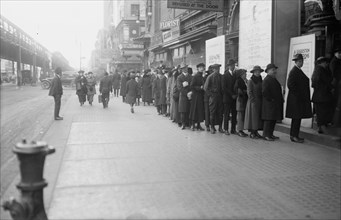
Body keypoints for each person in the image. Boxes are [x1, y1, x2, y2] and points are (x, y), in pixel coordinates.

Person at [286, 54, 312, 143]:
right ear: (297, 62)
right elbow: (290, 85)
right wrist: (299, 94)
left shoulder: (297, 71)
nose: (302, 63)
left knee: (297, 118)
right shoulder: (294, 71)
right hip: (296, 100)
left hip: (298, 100)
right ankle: (294, 136)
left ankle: (294, 135)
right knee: (296, 118)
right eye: (300, 61)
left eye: (302, 61)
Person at [311, 57, 334, 133]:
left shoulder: (315, 71)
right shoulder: (322, 70)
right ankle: (323, 128)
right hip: (323, 96)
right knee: (323, 113)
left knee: (320, 112)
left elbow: (313, 84)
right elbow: (328, 82)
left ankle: (320, 128)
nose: (327, 64)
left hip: (317, 96)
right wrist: (331, 88)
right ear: (322, 63)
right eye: (326, 63)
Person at [262, 64, 284, 141]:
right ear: (268, 71)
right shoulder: (267, 79)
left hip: (274, 103)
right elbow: (264, 92)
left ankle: (270, 134)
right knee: (268, 120)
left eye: (275, 69)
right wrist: (271, 99)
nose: (274, 71)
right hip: (269, 103)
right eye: (272, 70)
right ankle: (266, 135)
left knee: (273, 119)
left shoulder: (273, 79)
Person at [244, 65, 264, 139]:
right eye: (256, 72)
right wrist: (253, 100)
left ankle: (256, 132)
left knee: (258, 118)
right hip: (253, 102)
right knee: (253, 118)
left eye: (259, 72)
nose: (258, 73)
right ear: (253, 72)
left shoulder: (261, 80)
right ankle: (252, 133)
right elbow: (249, 92)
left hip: (259, 101)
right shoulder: (251, 81)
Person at [204, 64, 224, 134]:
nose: (217, 70)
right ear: (213, 69)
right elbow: (205, 88)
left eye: (218, 69)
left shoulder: (221, 76)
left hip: (220, 97)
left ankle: (220, 127)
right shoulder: (210, 77)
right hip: (213, 97)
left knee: (220, 113)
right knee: (212, 112)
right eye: (216, 69)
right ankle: (212, 127)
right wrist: (211, 95)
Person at [222, 58, 238, 135]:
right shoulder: (225, 75)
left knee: (234, 114)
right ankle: (225, 129)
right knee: (226, 114)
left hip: (234, 98)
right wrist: (232, 94)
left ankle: (233, 129)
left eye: (233, 65)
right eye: (231, 65)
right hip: (227, 98)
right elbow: (224, 88)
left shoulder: (236, 74)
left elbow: (237, 85)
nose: (232, 66)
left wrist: (235, 94)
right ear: (228, 66)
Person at [189, 63, 205, 131]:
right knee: (194, 110)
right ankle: (192, 125)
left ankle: (198, 125)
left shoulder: (202, 76)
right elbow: (192, 86)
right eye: (200, 67)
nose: (202, 68)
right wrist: (199, 87)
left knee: (200, 110)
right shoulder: (195, 76)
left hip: (201, 95)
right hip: (195, 96)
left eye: (203, 67)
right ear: (198, 68)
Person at [234, 69, 248, 137]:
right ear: (241, 75)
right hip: (240, 101)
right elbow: (239, 91)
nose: (246, 75)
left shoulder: (244, 81)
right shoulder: (239, 81)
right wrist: (245, 91)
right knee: (240, 116)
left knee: (242, 116)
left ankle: (241, 130)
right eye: (244, 74)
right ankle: (239, 130)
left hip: (243, 100)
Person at [177, 65, 191, 130]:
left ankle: (188, 123)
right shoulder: (179, 77)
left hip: (190, 95)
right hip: (183, 96)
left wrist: (190, 92)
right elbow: (179, 88)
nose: (185, 69)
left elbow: (192, 85)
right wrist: (187, 93)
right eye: (184, 68)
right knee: (183, 111)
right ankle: (183, 124)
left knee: (189, 110)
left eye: (186, 68)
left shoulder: (190, 76)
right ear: (182, 70)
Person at [330, 47, 341, 113]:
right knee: (336, 99)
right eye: (339, 53)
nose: (340, 54)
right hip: (336, 82)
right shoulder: (334, 62)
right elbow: (333, 73)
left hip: (337, 82)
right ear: (335, 54)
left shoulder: (337, 61)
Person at [203, 65, 213, 131]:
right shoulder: (206, 77)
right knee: (207, 111)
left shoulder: (211, 77)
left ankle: (211, 125)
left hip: (210, 97)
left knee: (211, 111)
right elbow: (205, 88)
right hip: (207, 97)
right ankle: (207, 125)